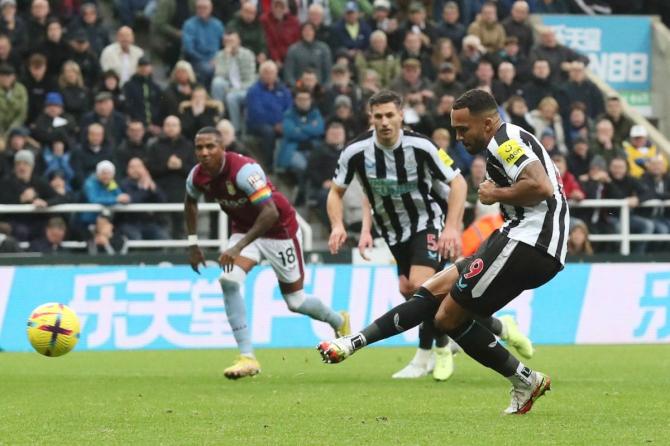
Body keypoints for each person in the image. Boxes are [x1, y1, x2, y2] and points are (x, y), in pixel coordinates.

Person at [319, 89, 569, 415]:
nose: (459, 136)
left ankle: (523, 380)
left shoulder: (505, 142)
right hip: (516, 235)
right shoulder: (506, 140)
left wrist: (497, 194)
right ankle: (353, 342)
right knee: (434, 289)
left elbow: (541, 187)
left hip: (532, 240)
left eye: (464, 129)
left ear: (488, 123)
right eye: (455, 129)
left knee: (448, 316)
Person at [184, 126, 350, 379]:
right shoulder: (197, 176)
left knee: (296, 302)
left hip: (279, 231)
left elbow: (270, 212)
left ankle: (338, 320)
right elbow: (190, 202)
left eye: (210, 147)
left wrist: (237, 247)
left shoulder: (244, 171)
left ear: (222, 148)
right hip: (245, 230)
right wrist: (193, 243)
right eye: (199, 147)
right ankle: (247, 357)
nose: (204, 153)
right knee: (228, 281)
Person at [330, 90, 462, 380]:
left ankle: (438, 351)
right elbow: (339, 192)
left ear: (401, 115)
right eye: (379, 116)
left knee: (421, 286)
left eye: (390, 115)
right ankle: (498, 328)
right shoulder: (356, 152)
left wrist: (452, 227)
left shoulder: (423, 146)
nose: (385, 121)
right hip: (392, 231)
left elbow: (459, 183)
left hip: (426, 222)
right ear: (371, 119)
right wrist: (340, 225)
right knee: (412, 291)